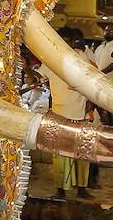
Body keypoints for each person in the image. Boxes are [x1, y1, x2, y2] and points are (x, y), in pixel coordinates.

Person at [38, 27, 92, 200]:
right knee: (60, 154)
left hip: (80, 112)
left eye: (66, 40)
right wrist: (25, 67)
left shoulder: (80, 57)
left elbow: (90, 83)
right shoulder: (50, 58)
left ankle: (82, 187)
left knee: (82, 152)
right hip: (59, 113)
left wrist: (89, 109)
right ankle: (61, 188)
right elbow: (37, 77)